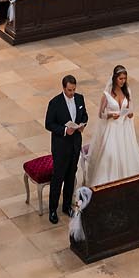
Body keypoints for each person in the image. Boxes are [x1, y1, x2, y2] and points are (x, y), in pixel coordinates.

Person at [85, 66, 139, 187]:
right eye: (120, 79)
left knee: (127, 154)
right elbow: (100, 114)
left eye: (124, 78)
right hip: (112, 129)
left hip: (124, 129)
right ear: (115, 78)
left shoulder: (127, 90)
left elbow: (130, 108)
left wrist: (130, 114)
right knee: (111, 155)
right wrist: (111, 115)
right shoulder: (107, 94)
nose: (123, 81)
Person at [44, 75, 88, 225]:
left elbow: (84, 115)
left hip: (75, 144)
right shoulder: (55, 103)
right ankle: (52, 209)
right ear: (63, 88)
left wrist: (82, 125)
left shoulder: (80, 99)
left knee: (71, 176)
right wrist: (64, 130)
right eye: (69, 90)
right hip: (61, 146)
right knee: (58, 178)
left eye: (74, 90)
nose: (72, 93)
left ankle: (67, 205)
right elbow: (49, 124)